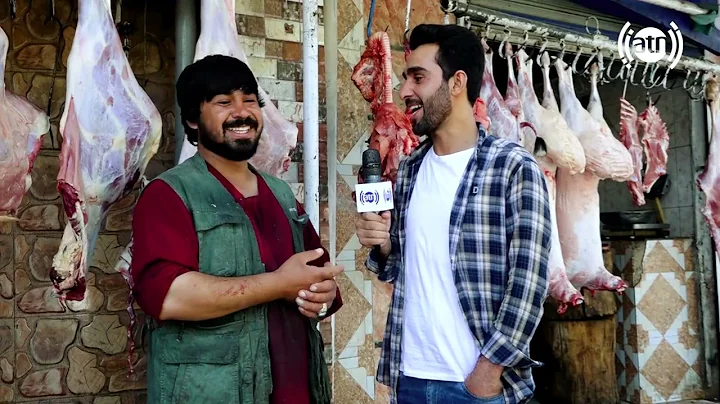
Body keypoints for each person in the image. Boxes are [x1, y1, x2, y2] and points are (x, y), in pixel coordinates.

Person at [355, 24, 552, 404]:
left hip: (475, 386)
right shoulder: (411, 168)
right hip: (410, 376)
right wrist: (381, 246)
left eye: (418, 77)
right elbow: (398, 267)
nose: (404, 91)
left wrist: (488, 371)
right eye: (404, 79)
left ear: (457, 82)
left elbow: (529, 283)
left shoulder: (512, 167)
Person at [131, 54, 343, 404]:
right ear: (192, 121)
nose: (242, 112)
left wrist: (322, 295)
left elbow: (317, 276)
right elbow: (168, 297)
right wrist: (278, 284)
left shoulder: (282, 193)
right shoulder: (169, 194)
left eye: (250, 100)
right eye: (223, 102)